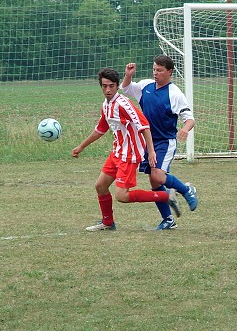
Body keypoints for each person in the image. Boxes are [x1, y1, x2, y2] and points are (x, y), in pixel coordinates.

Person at [72, 67, 171, 231]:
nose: (108, 89)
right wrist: (81, 146)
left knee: (122, 196)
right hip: (117, 152)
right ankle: (108, 223)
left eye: (111, 85)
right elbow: (100, 129)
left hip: (130, 154)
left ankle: (166, 196)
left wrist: (151, 151)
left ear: (117, 86)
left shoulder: (124, 104)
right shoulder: (106, 105)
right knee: (100, 186)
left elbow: (144, 125)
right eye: (104, 86)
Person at [121, 55, 198, 230]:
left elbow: (190, 119)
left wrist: (185, 129)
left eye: (160, 70)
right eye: (154, 69)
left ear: (169, 72)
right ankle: (168, 220)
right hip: (147, 141)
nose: (156, 73)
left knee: (158, 176)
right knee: (154, 182)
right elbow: (126, 88)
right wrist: (128, 75)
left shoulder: (175, 94)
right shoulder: (145, 85)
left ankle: (186, 190)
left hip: (165, 141)